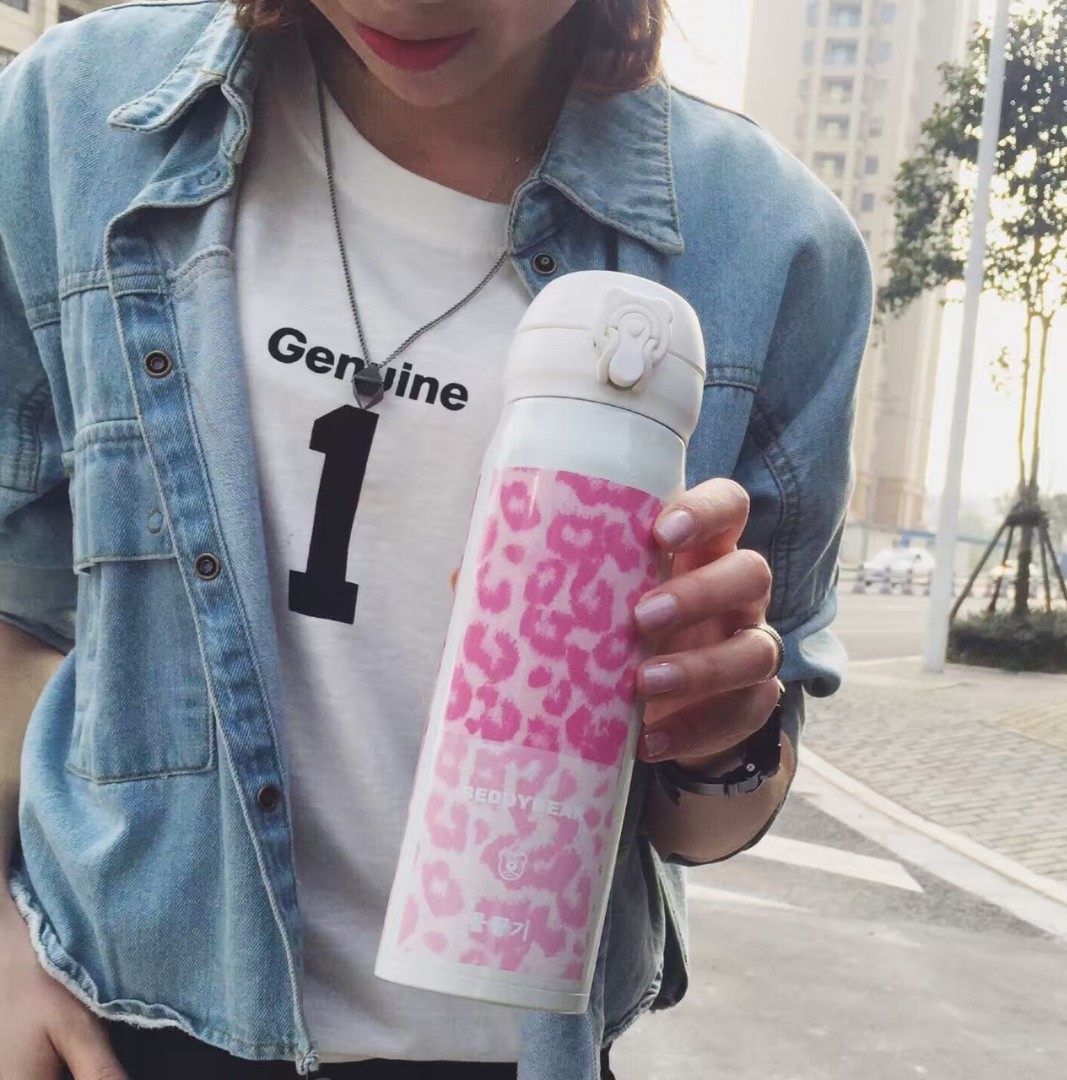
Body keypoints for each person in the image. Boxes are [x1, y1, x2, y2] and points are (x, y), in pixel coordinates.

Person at [0, 0, 874, 1077]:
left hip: (509, 1048)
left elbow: (716, 811)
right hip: (120, 1021)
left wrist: (715, 739)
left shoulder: (768, 243)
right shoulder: (81, 118)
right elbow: (17, 601)